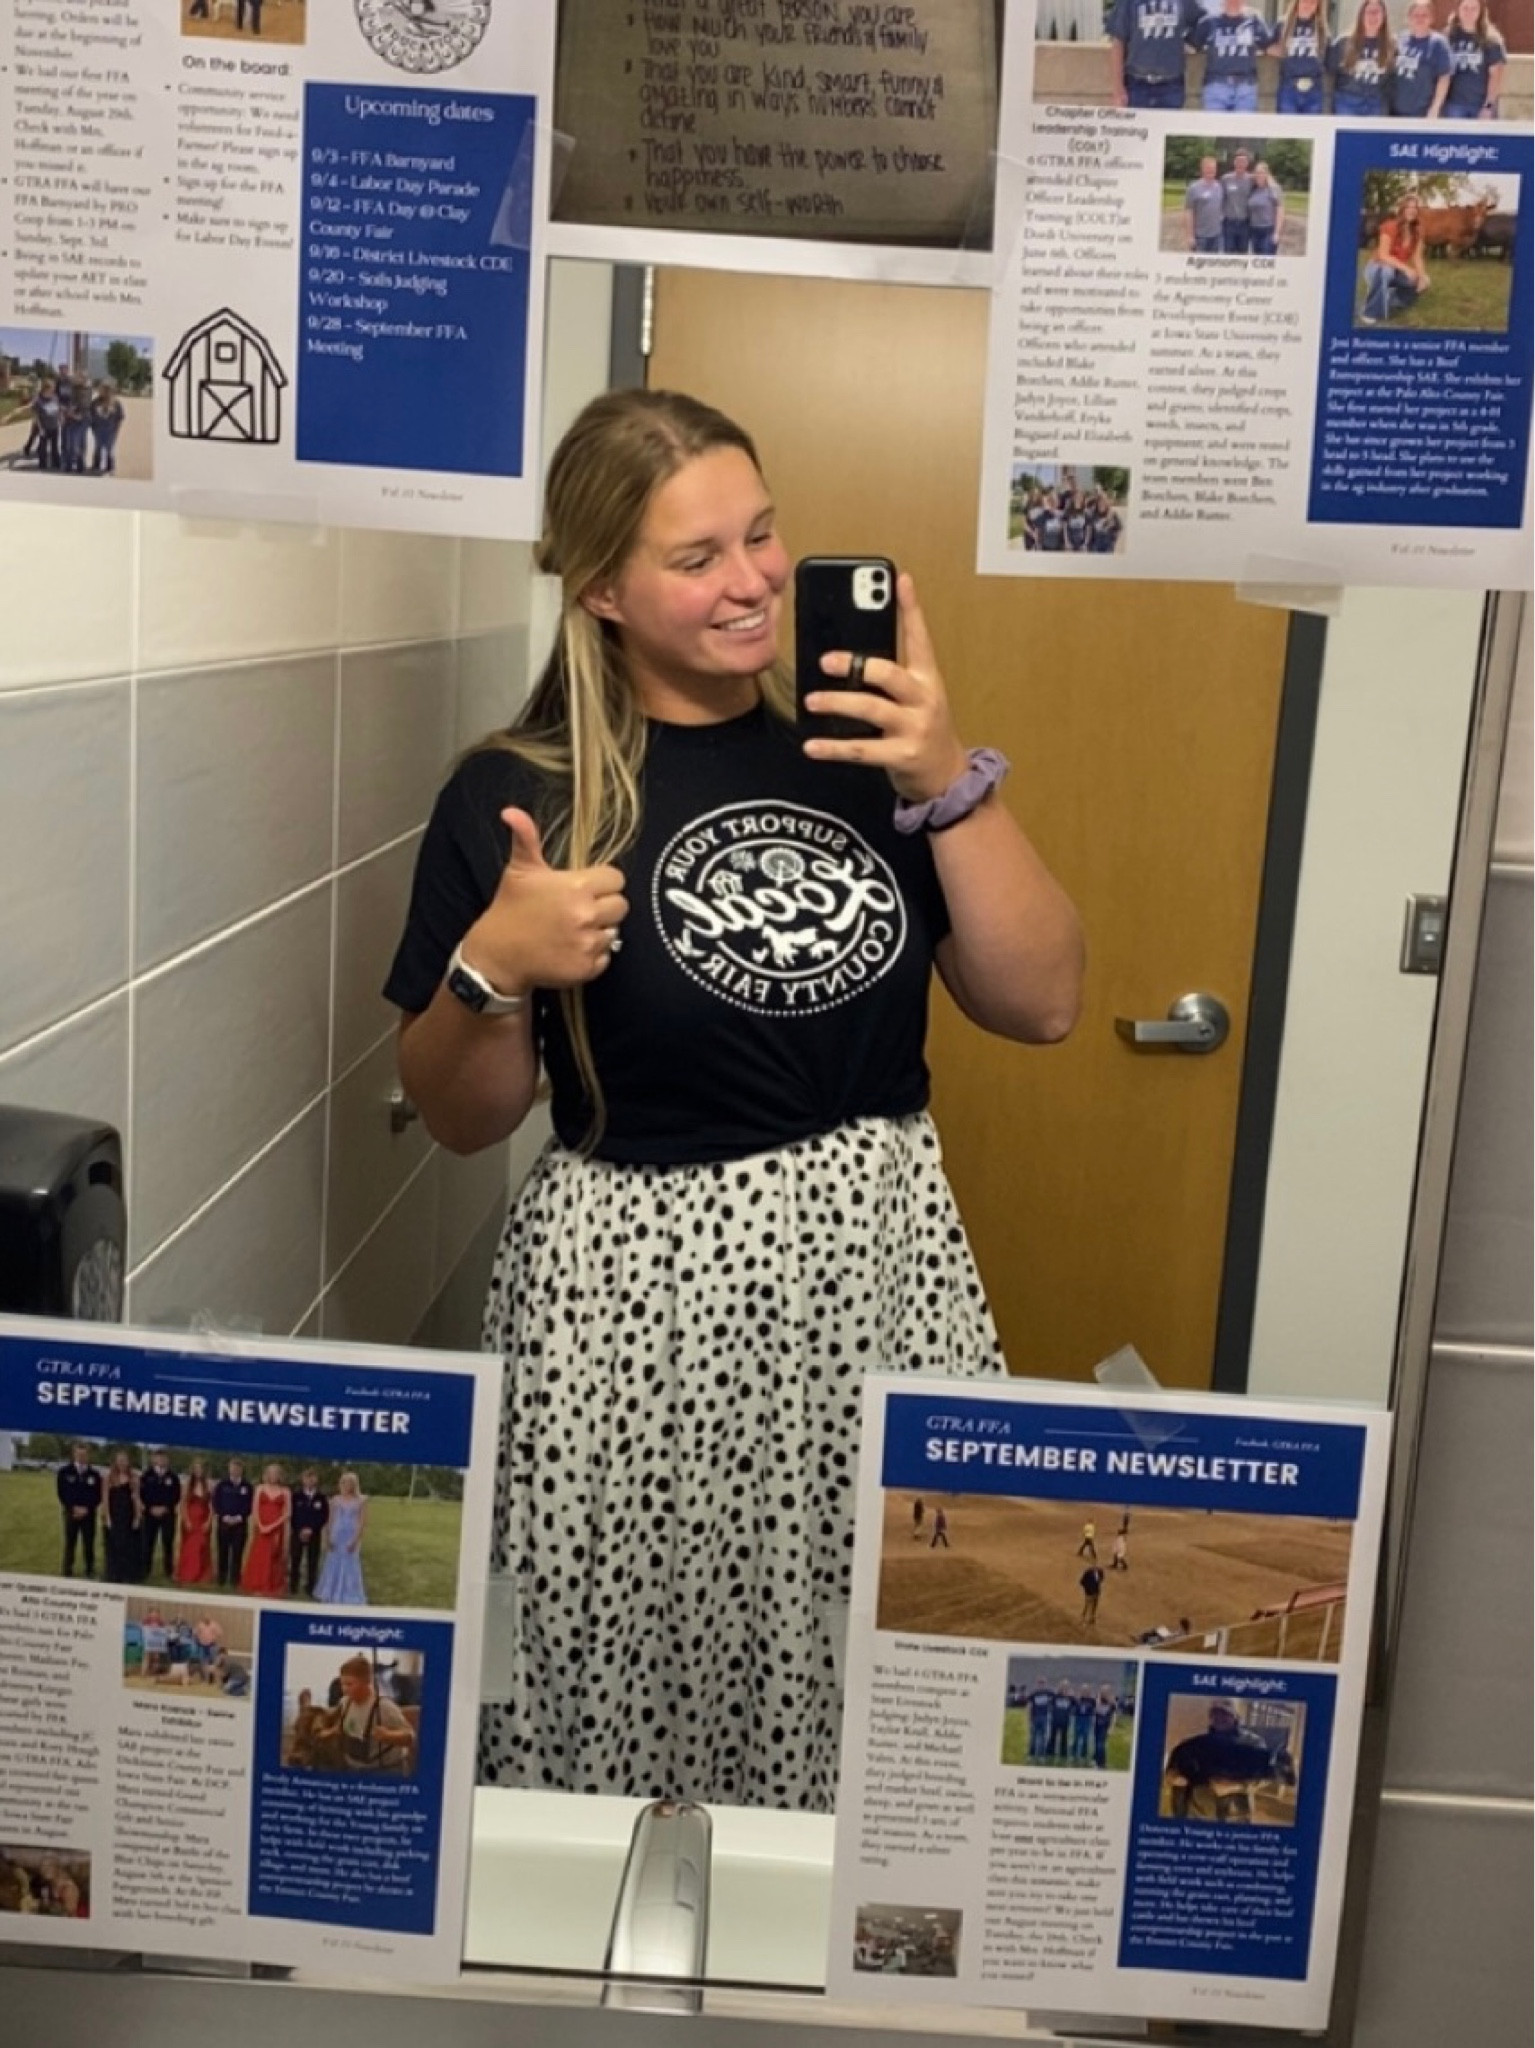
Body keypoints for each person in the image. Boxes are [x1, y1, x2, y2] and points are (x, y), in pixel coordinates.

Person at [383, 388, 1082, 1809]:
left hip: (867, 1283)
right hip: (626, 1313)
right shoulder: (516, 795)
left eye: (760, 536)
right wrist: (491, 970)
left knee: (873, 1667)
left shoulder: (866, 760)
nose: (753, 580)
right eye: (695, 557)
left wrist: (949, 779)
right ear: (600, 589)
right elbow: (459, 1115)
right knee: (619, 1665)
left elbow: (1044, 1000)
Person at [1107, 0, 1198, 108]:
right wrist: (1118, 89)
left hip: (1171, 85)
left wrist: (1191, 42)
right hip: (1136, 85)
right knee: (1138, 125)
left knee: (1169, 125)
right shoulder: (1128, 3)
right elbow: (1118, 43)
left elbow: (1202, 21)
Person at [1359, 192, 1430, 325]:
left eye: (1415, 208)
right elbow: (1383, 255)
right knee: (1387, 270)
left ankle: (1389, 299)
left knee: (1425, 281)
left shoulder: (1418, 231)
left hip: (1396, 270)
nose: (1412, 210)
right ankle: (1369, 312)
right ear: (1402, 210)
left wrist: (1421, 277)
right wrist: (1407, 269)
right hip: (1377, 269)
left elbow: (1417, 257)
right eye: (1408, 207)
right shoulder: (1390, 226)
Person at [1190, 0, 1274, 112]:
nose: (1234, 2)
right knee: (1215, 128)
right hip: (1216, 85)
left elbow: (1268, 46)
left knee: (1242, 128)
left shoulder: (1254, 20)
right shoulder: (1209, 22)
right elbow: (1193, 45)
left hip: (1246, 86)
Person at [334, 1655, 413, 1773]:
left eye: (350, 1684)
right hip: (353, 1767)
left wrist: (389, 1735)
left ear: (367, 1682)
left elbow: (410, 1737)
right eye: (342, 1684)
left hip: (384, 1771)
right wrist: (331, 1732)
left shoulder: (384, 1707)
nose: (344, 1689)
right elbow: (344, 1726)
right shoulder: (344, 1703)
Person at [1330, 0, 1395, 115]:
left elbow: (1390, 82)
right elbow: (1330, 76)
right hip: (1347, 102)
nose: (1373, 16)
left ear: (1384, 16)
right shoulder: (1343, 42)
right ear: (1361, 15)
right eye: (1369, 12)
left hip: (1376, 105)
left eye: (1377, 12)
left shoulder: (1391, 45)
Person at [1442, 0, 1506, 116]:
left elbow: (1496, 76)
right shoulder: (1448, 37)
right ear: (1458, 10)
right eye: (1465, 8)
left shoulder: (1491, 39)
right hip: (1454, 105)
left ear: (1480, 11)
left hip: (1481, 105)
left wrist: (1488, 106)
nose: (1469, 12)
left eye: (1473, 8)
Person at [313, 1471, 368, 1604]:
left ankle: (349, 1592)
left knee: (350, 1563)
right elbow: (330, 1520)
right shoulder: (335, 1500)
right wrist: (328, 1537)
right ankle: (331, 1591)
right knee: (333, 1562)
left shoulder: (361, 1500)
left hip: (351, 1535)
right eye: (343, 1482)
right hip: (336, 1535)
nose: (345, 1485)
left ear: (354, 1484)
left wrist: (355, 1540)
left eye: (348, 1482)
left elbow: (362, 1522)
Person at [1391, 0, 1453, 113]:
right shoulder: (1399, 40)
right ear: (1408, 18)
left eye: (1424, 15)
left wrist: (1435, 108)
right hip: (1396, 111)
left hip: (1423, 112)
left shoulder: (1438, 44)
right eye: (1416, 15)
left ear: (1431, 18)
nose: (1420, 19)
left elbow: (1444, 78)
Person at [240, 1463, 290, 1595]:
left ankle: (271, 1584)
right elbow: (255, 1509)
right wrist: (261, 1526)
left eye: (276, 1473)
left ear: (280, 1476)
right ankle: (257, 1583)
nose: (273, 1476)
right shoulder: (260, 1488)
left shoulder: (285, 1491)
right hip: (261, 1528)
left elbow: (287, 1513)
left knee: (273, 1556)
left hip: (276, 1529)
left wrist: (272, 1527)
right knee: (259, 1555)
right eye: (271, 1473)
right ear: (267, 1474)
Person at [1273, 0, 1330, 113]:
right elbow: (1267, 45)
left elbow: (1327, 55)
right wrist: (1281, 52)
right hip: (1289, 86)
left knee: (1311, 129)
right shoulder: (1283, 24)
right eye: (1305, 1)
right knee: (1287, 128)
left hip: (1313, 88)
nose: (1308, 5)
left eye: (1313, 3)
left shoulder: (1322, 28)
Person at [57, 1443, 103, 1578]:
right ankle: (67, 1570)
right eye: (79, 1454)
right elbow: (62, 1493)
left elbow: (98, 1495)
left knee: (89, 1543)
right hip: (71, 1514)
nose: (81, 1457)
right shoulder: (64, 1472)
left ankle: (89, 1570)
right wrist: (73, 1508)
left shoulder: (94, 1475)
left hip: (88, 1515)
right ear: (74, 1454)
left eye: (84, 1454)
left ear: (88, 1456)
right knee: (70, 1542)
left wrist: (87, 1509)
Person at [101, 1449, 142, 1583]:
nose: (122, 1463)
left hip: (128, 1516)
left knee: (129, 1547)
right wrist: (107, 1517)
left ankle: (128, 1575)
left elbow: (136, 1498)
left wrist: (137, 1517)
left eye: (124, 1460)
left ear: (128, 1462)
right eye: (120, 1460)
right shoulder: (108, 1478)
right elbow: (105, 1499)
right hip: (114, 1516)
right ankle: (113, 1574)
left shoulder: (134, 1477)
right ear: (115, 1462)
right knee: (114, 1547)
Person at [139, 1448, 181, 1580]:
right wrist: (150, 1508)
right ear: (153, 1459)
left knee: (167, 1543)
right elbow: (142, 1494)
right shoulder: (146, 1475)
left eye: (164, 1458)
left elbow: (176, 1495)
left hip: (167, 1515)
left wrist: (165, 1508)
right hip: (149, 1514)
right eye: (159, 1458)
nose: (161, 1461)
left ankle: (169, 1572)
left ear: (167, 1460)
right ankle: (145, 1570)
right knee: (147, 1543)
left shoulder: (173, 1477)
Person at [288, 1466, 330, 1595]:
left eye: (312, 1478)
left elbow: (324, 1516)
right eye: (307, 1478)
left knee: (312, 1561)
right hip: (297, 1533)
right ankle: (293, 1586)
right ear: (303, 1480)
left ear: (316, 1480)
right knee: (295, 1559)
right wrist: (300, 1529)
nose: (310, 1481)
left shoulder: (321, 1498)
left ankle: (311, 1587)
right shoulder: (296, 1496)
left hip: (314, 1534)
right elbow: (292, 1514)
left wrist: (312, 1529)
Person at [212, 1457, 253, 1587]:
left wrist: (239, 1518)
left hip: (240, 1525)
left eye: (238, 1468)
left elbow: (249, 1505)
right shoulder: (222, 1485)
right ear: (229, 1469)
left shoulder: (247, 1486)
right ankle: (221, 1578)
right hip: (224, 1523)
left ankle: (234, 1579)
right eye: (233, 1468)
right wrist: (224, 1516)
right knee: (223, 1551)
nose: (235, 1470)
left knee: (237, 1553)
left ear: (242, 1470)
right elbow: (215, 1503)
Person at [174, 1459, 214, 1585]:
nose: (198, 1471)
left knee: (202, 1546)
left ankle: (202, 1573)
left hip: (203, 1520)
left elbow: (212, 1505)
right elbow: (183, 1504)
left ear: (204, 1470)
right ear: (192, 1470)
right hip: (190, 1520)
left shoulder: (209, 1484)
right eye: (196, 1469)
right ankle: (188, 1573)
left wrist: (209, 1520)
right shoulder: (187, 1484)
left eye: (200, 1468)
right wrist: (186, 1520)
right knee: (190, 1547)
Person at [1185, 156, 1226, 253]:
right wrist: (1190, 236)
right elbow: (1189, 213)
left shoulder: (1219, 187)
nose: (1211, 171)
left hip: (1216, 236)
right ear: (1202, 169)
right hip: (1200, 237)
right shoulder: (1193, 188)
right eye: (1208, 168)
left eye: (1213, 168)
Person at [1220, 150, 1256, 257]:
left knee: (1242, 254)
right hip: (1229, 223)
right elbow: (1221, 198)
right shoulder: (1225, 179)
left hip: (1245, 223)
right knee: (1228, 254)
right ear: (1234, 162)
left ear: (1247, 164)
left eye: (1243, 161)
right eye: (1238, 161)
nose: (1240, 164)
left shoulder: (1252, 179)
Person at [1246, 163, 1285, 257]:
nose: (1259, 175)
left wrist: (1276, 233)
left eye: (1261, 173)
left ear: (1267, 174)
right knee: (1257, 261)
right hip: (1254, 230)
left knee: (1266, 261)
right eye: (1257, 173)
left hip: (1268, 230)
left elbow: (1280, 212)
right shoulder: (1253, 189)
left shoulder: (1274, 189)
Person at [89, 383, 125, 475]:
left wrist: (117, 430)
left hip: (110, 430)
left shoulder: (116, 403)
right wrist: (93, 427)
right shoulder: (95, 402)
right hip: (98, 429)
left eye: (103, 390)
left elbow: (120, 418)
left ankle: (110, 467)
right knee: (98, 448)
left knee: (109, 449)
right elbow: (91, 414)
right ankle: (96, 466)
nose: (100, 391)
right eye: (100, 389)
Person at [1027, 1677, 1055, 1759]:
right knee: (1033, 1736)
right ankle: (1031, 1754)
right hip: (1035, 1717)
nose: (1041, 1685)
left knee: (1043, 1736)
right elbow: (1029, 1705)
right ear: (1037, 1684)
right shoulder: (1033, 1694)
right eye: (1040, 1683)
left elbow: (1056, 1698)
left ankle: (1041, 1755)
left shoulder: (1049, 1693)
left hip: (1045, 1717)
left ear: (1045, 1684)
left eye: (1043, 1683)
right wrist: (1029, 1716)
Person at [1092, 1684, 1119, 1767]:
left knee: (1101, 1744)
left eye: (1106, 1691)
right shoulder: (1098, 1699)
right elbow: (1095, 1711)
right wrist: (1098, 1700)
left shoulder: (1112, 1703)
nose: (1104, 1692)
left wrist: (1111, 1728)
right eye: (1102, 1690)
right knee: (1096, 1743)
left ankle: (1102, 1763)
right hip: (1097, 1725)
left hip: (1105, 1726)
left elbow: (1114, 1716)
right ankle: (1096, 1760)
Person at [1070, 1684, 1095, 1761]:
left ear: (1089, 1691)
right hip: (1078, 1718)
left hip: (1087, 1719)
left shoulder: (1092, 1700)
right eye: (1083, 1690)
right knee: (1077, 1736)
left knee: (1085, 1737)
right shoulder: (1078, 1699)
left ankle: (1084, 1754)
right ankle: (1074, 1754)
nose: (1085, 1692)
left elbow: (1094, 1710)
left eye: (1086, 1690)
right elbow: (1073, 1707)